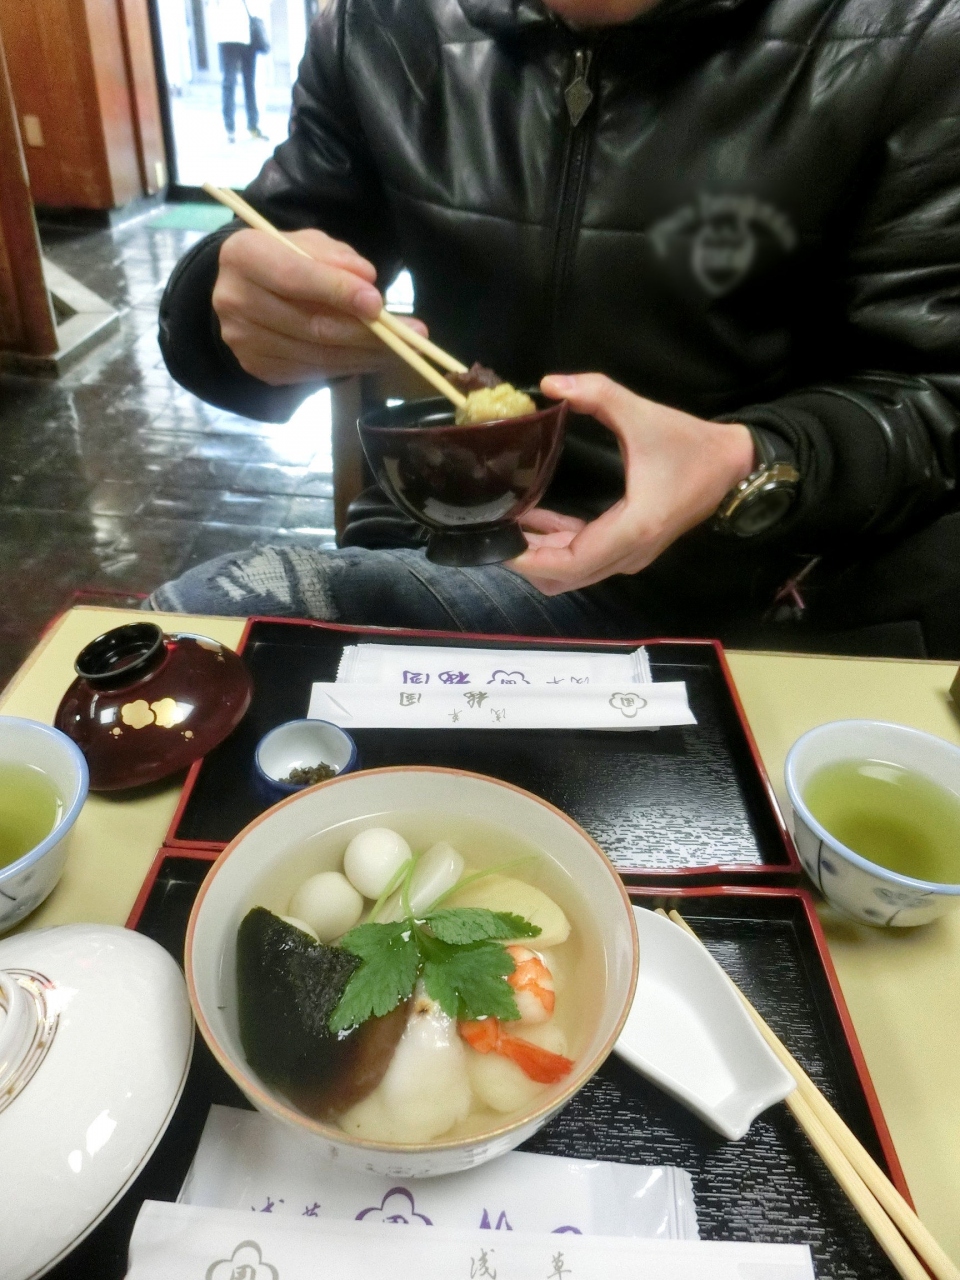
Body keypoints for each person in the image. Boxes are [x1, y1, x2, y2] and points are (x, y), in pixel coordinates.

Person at [157, 0, 960, 657]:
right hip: (450, 535)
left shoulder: (912, 30)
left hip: (753, 587)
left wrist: (744, 463)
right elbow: (275, 246)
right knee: (190, 644)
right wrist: (226, 311)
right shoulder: (382, 23)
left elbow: (937, 395)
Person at [208, 0, 269, 143]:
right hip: (235, 33)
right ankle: (247, 126)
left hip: (235, 33)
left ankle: (232, 129)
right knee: (243, 82)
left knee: (232, 82)